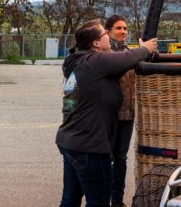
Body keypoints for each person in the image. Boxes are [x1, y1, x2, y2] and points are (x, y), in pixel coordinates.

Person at [56, 19, 158, 207]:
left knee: (69, 199)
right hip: (90, 147)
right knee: (99, 201)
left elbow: (70, 104)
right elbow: (128, 58)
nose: (108, 37)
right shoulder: (95, 61)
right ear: (95, 43)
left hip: (71, 141)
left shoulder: (79, 63)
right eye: (104, 34)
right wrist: (146, 48)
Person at [105, 15, 135, 207]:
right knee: (106, 158)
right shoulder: (106, 54)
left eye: (125, 28)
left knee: (121, 159)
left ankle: (117, 200)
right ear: (108, 31)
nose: (123, 32)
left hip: (128, 113)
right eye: (118, 28)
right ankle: (101, 197)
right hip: (110, 115)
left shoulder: (130, 52)